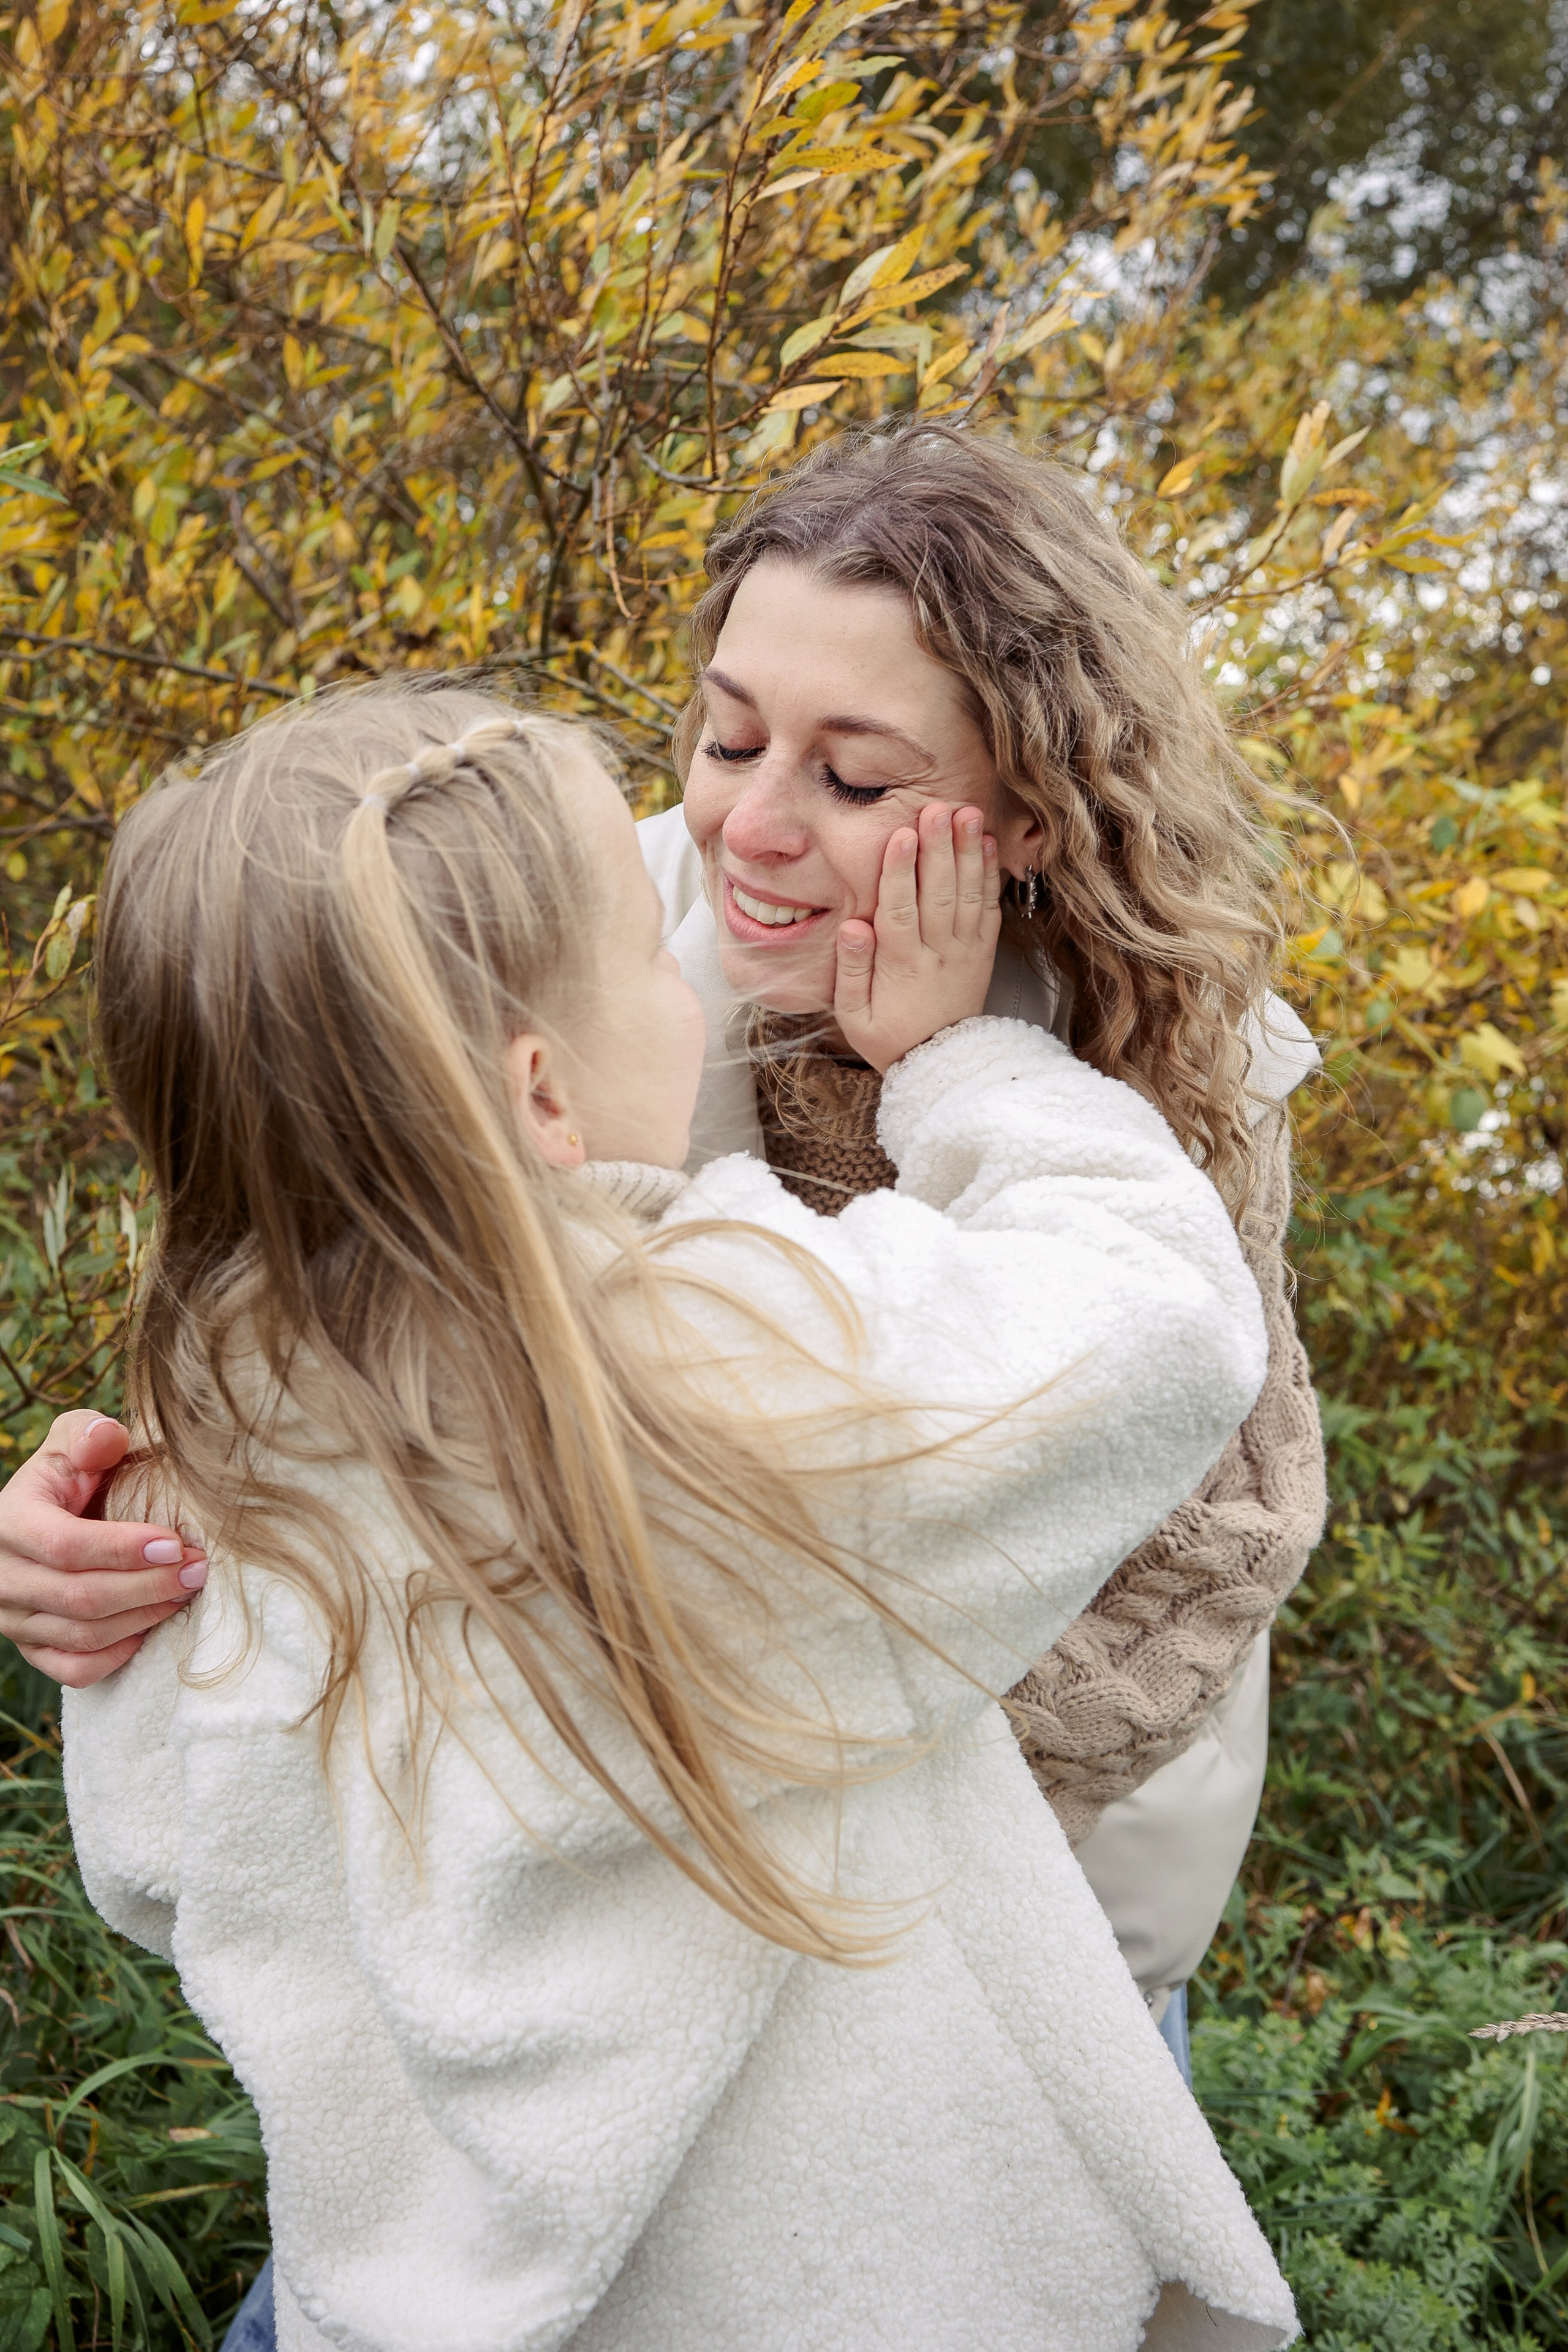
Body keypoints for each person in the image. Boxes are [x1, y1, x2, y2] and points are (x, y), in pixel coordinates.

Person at [0, 423, 1323, 2052]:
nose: (746, 828)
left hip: (1037, 1951)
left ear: (1031, 812)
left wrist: (943, 1069)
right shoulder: (580, 929)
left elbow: (1207, 1522)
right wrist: (148, 1514)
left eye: (852, 777)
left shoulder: (1175, 1050)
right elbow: (342, 1294)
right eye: (724, 734)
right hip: (590, 1947)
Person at [59, 679, 1296, 2351]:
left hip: (418, 2297)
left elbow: (153, 1865)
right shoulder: (717, 1372)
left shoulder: (228, 1468)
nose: (702, 958)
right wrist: (959, 1059)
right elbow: (1159, 1309)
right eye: (660, 942)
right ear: (544, 1101)